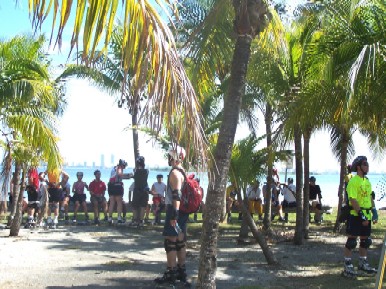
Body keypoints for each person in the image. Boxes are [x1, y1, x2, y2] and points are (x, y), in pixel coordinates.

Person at [154, 145, 190, 286]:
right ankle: (182, 271)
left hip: (175, 210)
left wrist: (174, 214)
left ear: (175, 157)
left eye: (170, 156)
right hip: (183, 211)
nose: (168, 158)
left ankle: (171, 272)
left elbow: (177, 195)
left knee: (170, 242)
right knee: (180, 241)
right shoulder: (183, 172)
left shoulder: (175, 173)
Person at [343, 156, 378, 277]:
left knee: (365, 240)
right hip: (356, 214)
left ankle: (363, 263)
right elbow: (352, 199)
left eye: (367, 164)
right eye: (364, 164)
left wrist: (374, 211)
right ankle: (347, 265)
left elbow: (369, 197)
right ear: (358, 167)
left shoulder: (367, 181)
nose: (367, 166)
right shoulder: (353, 181)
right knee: (352, 240)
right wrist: (361, 215)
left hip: (367, 214)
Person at [108, 159, 132, 224]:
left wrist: (127, 176)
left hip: (111, 185)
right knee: (119, 202)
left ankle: (110, 218)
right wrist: (129, 176)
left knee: (112, 202)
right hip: (117, 186)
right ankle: (119, 218)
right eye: (124, 166)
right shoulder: (119, 168)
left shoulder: (114, 168)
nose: (124, 167)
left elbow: (117, 176)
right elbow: (120, 175)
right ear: (122, 165)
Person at [130, 156, 149, 227]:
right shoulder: (146, 171)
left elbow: (134, 176)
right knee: (142, 206)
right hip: (144, 190)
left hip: (137, 190)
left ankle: (135, 220)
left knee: (135, 206)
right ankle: (141, 221)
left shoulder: (136, 171)